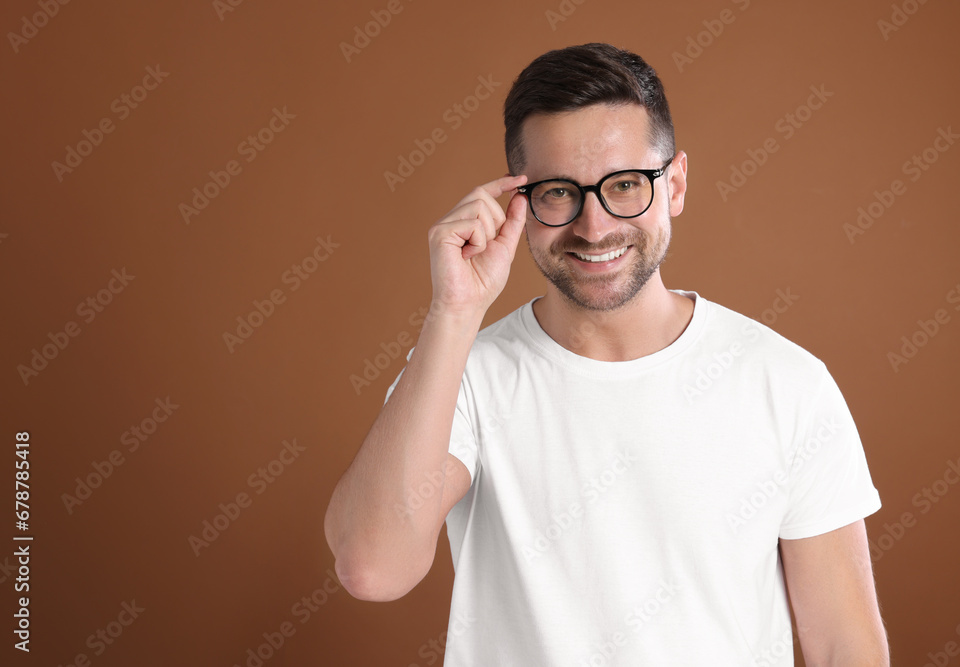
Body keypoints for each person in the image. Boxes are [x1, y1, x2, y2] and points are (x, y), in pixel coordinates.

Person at [325, 43, 889, 665]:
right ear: (520, 204)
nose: (593, 227)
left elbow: (845, 646)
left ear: (674, 186)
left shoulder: (786, 383)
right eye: (560, 192)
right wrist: (453, 315)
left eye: (625, 185)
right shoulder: (463, 374)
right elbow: (373, 568)